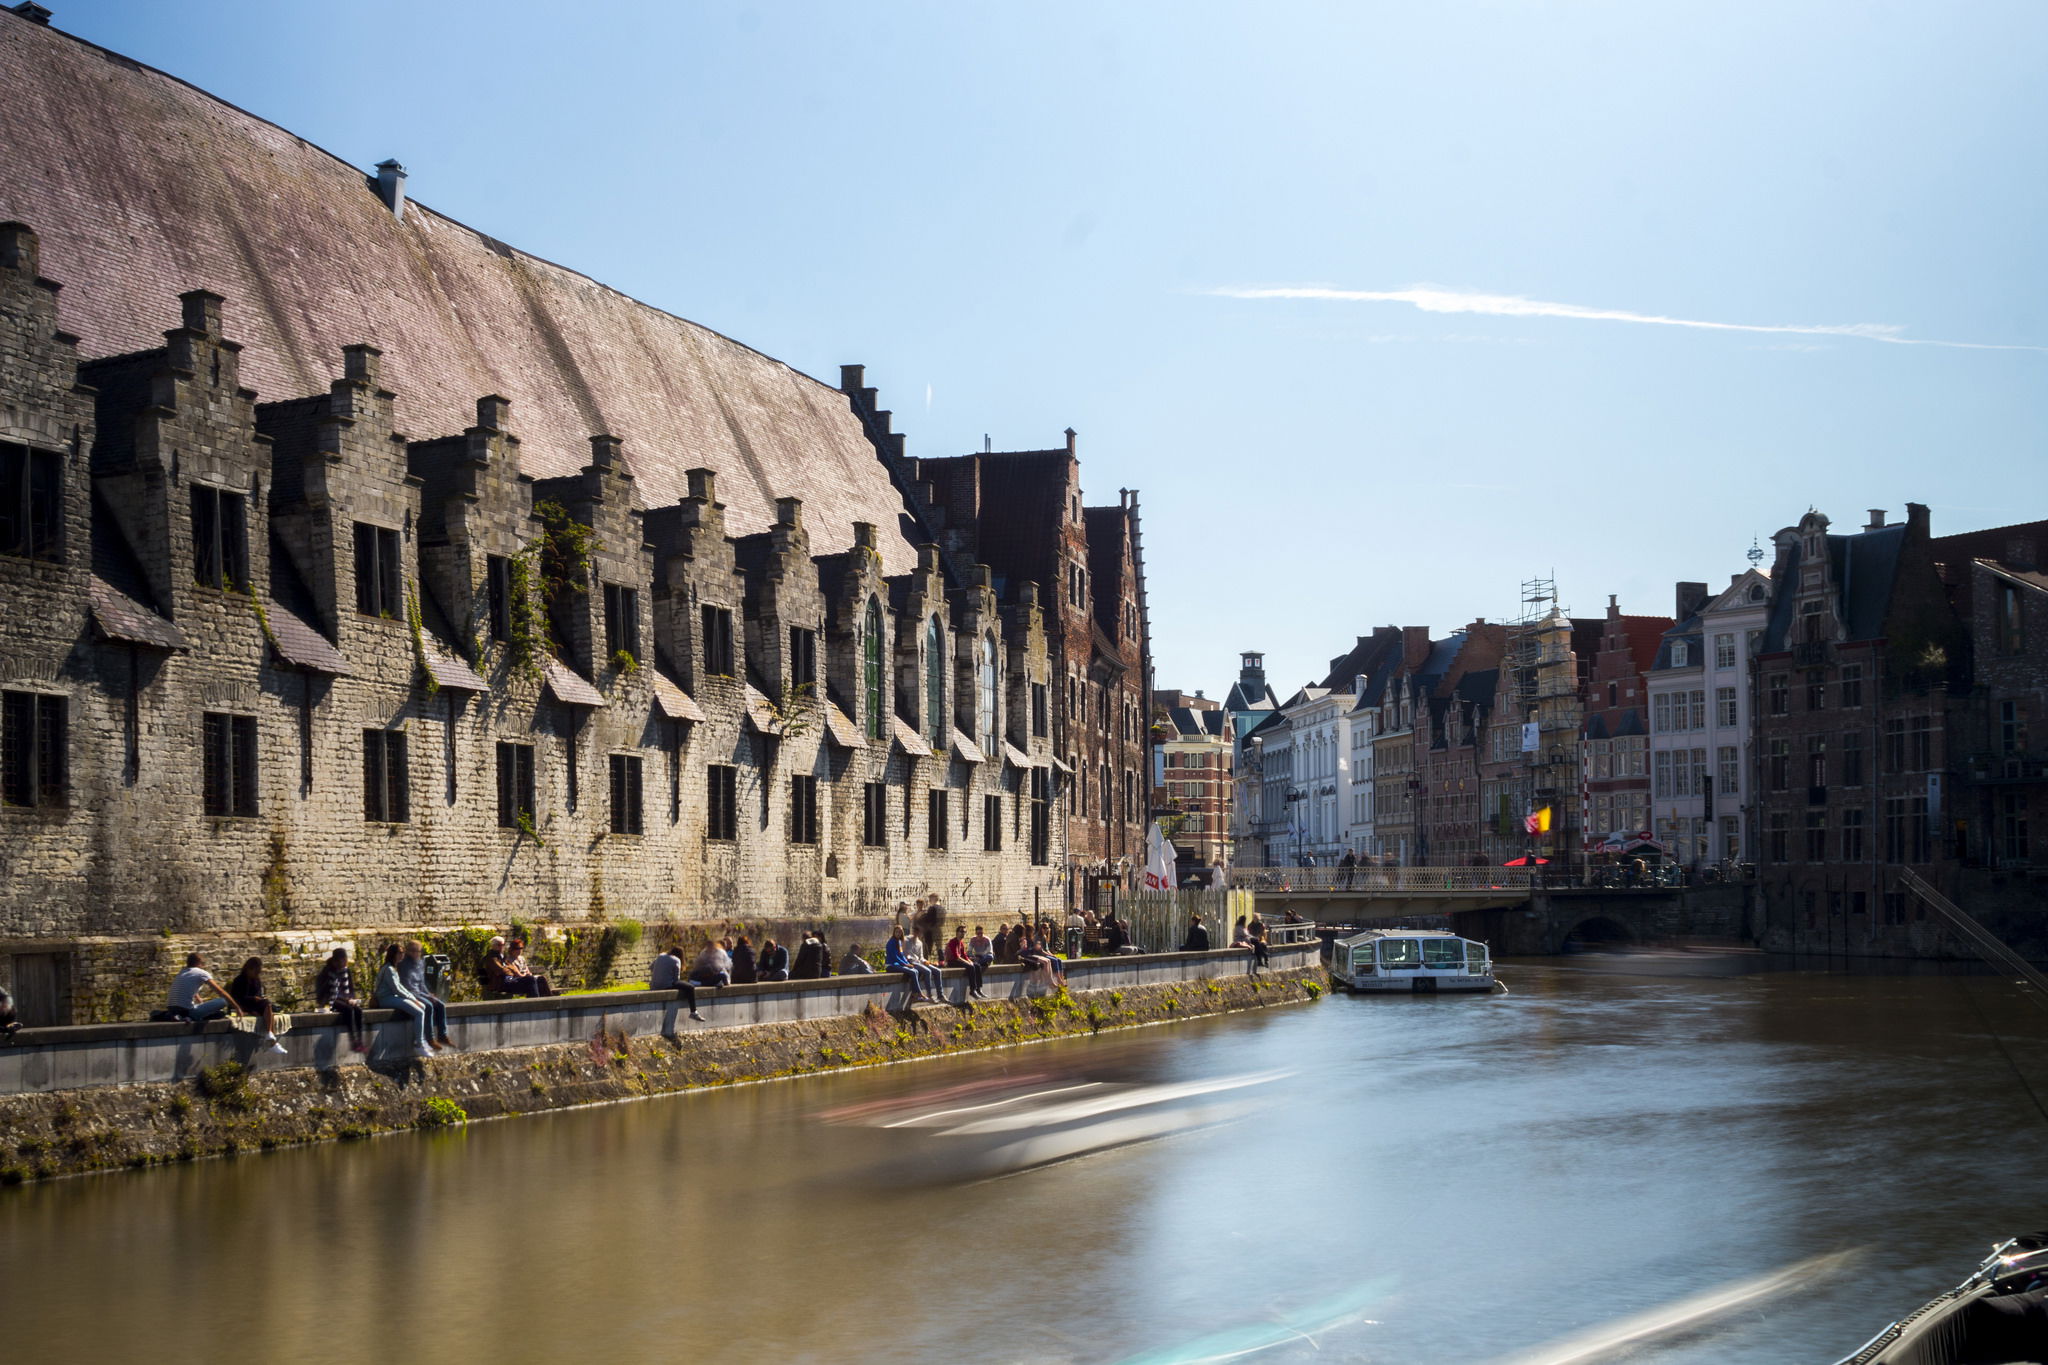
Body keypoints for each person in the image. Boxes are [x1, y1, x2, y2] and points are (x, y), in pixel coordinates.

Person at [372, 943, 436, 1060]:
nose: (403, 955)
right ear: (394, 954)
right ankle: (418, 1043)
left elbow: (400, 987)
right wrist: (412, 998)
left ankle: (422, 1038)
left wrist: (412, 998)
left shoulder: (393, 968)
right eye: (400, 952)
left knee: (422, 1006)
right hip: (385, 999)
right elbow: (396, 988)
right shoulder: (389, 969)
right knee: (419, 1012)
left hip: (393, 997)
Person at [225, 957, 289, 1054]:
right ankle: (272, 1041)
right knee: (266, 1006)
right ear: (249, 969)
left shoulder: (256, 981)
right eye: (255, 972)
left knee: (268, 1006)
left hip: (254, 1005)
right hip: (243, 1004)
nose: (257, 975)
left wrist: (258, 999)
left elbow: (258, 994)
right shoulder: (239, 980)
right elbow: (238, 998)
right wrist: (254, 999)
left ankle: (271, 1037)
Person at [166, 952, 244, 1029]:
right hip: (187, 1012)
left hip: (171, 1009)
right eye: (202, 963)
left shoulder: (182, 972)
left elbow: (187, 988)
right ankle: (189, 1017)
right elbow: (221, 991)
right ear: (199, 962)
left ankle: (181, 1017)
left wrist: (199, 999)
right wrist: (237, 1007)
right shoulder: (201, 973)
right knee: (223, 1001)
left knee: (218, 1013)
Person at [398, 941, 453, 1050]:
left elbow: (421, 982)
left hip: (420, 991)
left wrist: (428, 994)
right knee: (428, 1006)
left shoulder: (420, 962)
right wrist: (426, 996)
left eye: (416, 951)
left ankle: (442, 1035)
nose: (414, 953)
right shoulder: (404, 964)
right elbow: (408, 985)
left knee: (440, 1005)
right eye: (411, 951)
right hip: (410, 993)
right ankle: (430, 1038)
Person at [314, 948, 367, 1053]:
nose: (344, 963)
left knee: (358, 1010)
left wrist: (352, 998)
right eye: (342, 960)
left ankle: (359, 1041)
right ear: (336, 961)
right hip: (331, 1000)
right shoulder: (329, 972)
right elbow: (331, 992)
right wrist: (347, 1000)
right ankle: (353, 1040)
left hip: (344, 999)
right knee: (348, 1010)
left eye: (345, 960)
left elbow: (350, 988)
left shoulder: (346, 971)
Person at [649, 943, 705, 1021]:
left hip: (653, 985)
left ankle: (694, 1012)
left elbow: (651, 968)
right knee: (690, 987)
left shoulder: (661, 956)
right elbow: (676, 980)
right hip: (666, 985)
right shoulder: (676, 960)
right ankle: (693, 1012)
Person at [885, 928, 942, 1003]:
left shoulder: (899, 942)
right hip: (891, 965)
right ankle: (920, 994)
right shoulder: (892, 942)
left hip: (900, 964)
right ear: (894, 932)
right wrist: (906, 964)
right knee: (913, 972)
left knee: (915, 971)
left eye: (900, 932)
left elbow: (902, 955)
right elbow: (895, 956)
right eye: (897, 932)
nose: (898, 934)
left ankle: (916, 994)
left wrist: (907, 963)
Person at [944, 927, 985, 999]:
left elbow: (964, 955)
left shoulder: (961, 943)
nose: (963, 933)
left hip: (958, 961)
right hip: (952, 962)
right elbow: (956, 957)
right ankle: (973, 990)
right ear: (957, 933)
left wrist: (970, 961)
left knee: (977, 966)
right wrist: (968, 963)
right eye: (961, 931)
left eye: (964, 932)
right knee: (971, 967)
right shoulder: (953, 942)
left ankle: (979, 989)